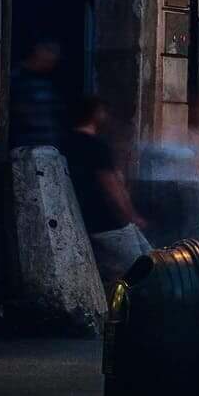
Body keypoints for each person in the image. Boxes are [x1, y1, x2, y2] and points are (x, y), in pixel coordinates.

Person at [62, 97, 150, 286]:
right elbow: (112, 188)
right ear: (95, 114)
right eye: (102, 111)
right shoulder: (96, 146)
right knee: (142, 273)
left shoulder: (64, 143)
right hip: (108, 223)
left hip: (86, 220)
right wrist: (132, 216)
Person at [7, 41, 63, 151]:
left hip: (48, 148)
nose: (52, 64)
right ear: (39, 52)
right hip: (26, 147)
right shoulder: (17, 78)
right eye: (50, 59)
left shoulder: (47, 81)